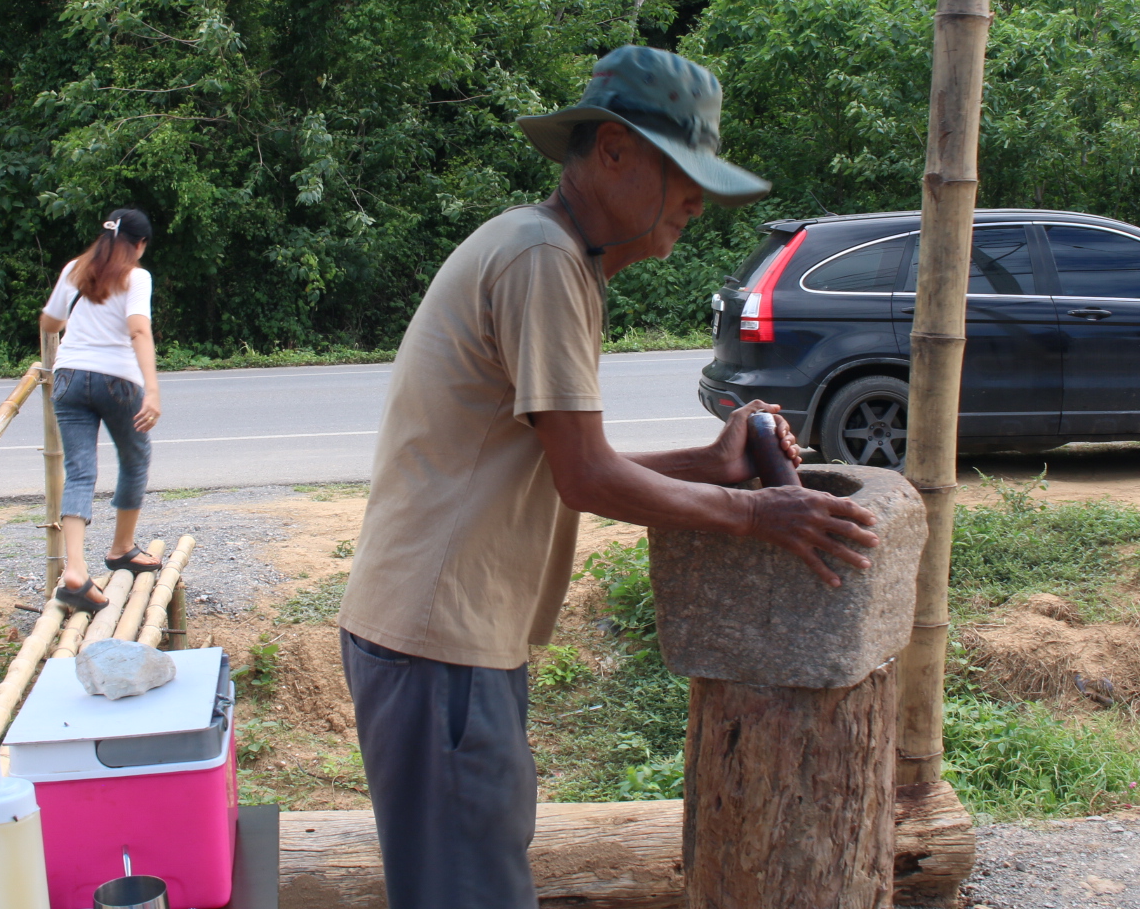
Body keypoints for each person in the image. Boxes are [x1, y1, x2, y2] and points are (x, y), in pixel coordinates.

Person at [337, 46, 883, 909]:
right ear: (614, 152)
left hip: (441, 639)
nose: (695, 202)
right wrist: (759, 515)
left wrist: (713, 466)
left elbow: (556, 470)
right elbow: (589, 478)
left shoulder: (551, 256)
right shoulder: (541, 262)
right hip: (441, 643)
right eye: (682, 173)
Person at [39, 208, 164, 612]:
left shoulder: (76, 269)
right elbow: (139, 329)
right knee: (135, 457)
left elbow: (49, 322)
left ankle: (75, 571)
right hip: (117, 380)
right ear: (140, 244)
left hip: (69, 377)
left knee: (79, 471)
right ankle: (121, 548)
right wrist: (153, 391)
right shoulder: (136, 276)